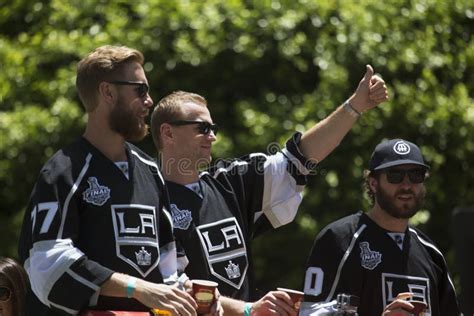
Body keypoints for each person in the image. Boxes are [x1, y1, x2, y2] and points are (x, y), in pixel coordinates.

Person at [150, 65, 389, 315]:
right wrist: (249, 310)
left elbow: (300, 159)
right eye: (202, 128)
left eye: (214, 129)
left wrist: (354, 106)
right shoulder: (149, 200)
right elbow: (173, 287)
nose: (212, 137)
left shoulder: (230, 182)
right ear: (168, 133)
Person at [17, 45, 206, 316]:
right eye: (140, 90)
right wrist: (136, 288)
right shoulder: (62, 171)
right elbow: (47, 264)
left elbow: (169, 264)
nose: (150, 101)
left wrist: (193, 296)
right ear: (107, 92)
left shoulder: (150, 171)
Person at [301, 138, 460, 315]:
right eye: (395, 175)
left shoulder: (431, 253)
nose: (406, 185)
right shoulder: (339, 239)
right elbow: (309, 312)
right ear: (373, 183)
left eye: (416, 174)